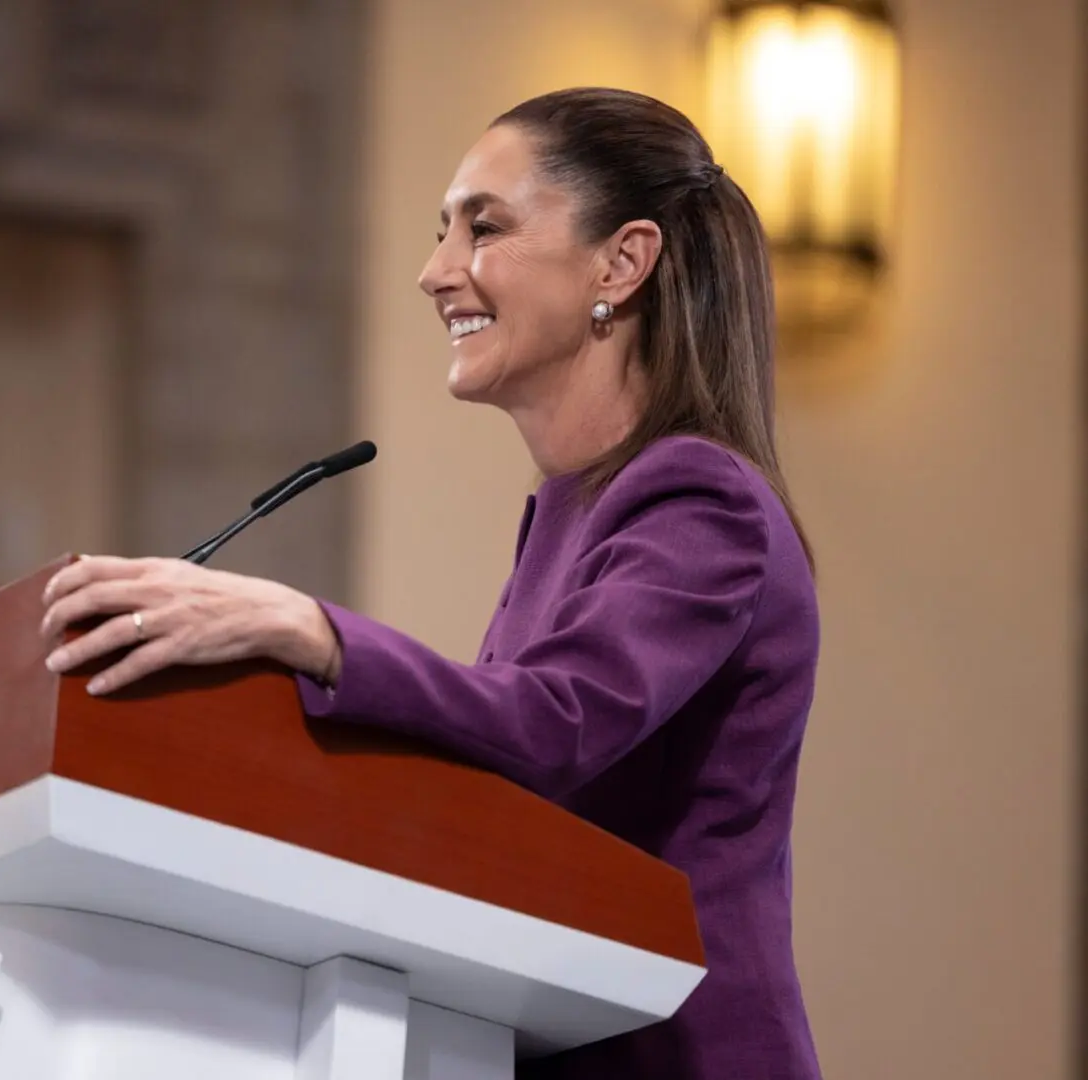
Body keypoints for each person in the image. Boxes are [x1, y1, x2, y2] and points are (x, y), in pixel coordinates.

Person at [40, 86, 822, 1080]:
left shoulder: (700, 495)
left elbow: (557, 723)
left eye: (481, 227)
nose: (435, 272)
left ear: (623, 263)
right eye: (440, 232)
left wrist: (308, 631)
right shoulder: (565, 508)